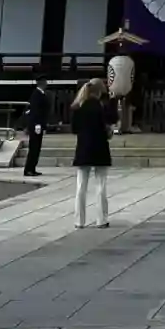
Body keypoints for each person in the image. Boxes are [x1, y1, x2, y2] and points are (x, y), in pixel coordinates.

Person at [70, 77, 113, 228]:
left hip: (83, 148)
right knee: (101, 186)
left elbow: (74, 129)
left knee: (81, 186)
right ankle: (101, 219)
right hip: (100, 147)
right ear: (100, 91)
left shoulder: (78, 106)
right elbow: (108, 126)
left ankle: (79, 220)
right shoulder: (102, 106)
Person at [22, 76, 48, 178]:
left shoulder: (41, 93)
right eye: (45, 81)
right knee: (34, 148)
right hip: (35, 125)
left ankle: (32, 168)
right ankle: (28, 169)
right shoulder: (36, 94)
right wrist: (37, 124)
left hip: (39, 124)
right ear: (41, 83)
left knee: (36, 148)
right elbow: (35, 110)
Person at [107, 46, 136, 134]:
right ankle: (127, 127)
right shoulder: (130, 61)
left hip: (114, 86)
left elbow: (110, 74)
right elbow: (132, 75)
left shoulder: (112, 61)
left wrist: (110, 87)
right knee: (127, 106)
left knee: (115, 106)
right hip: (127, 87)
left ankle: (116, 127)